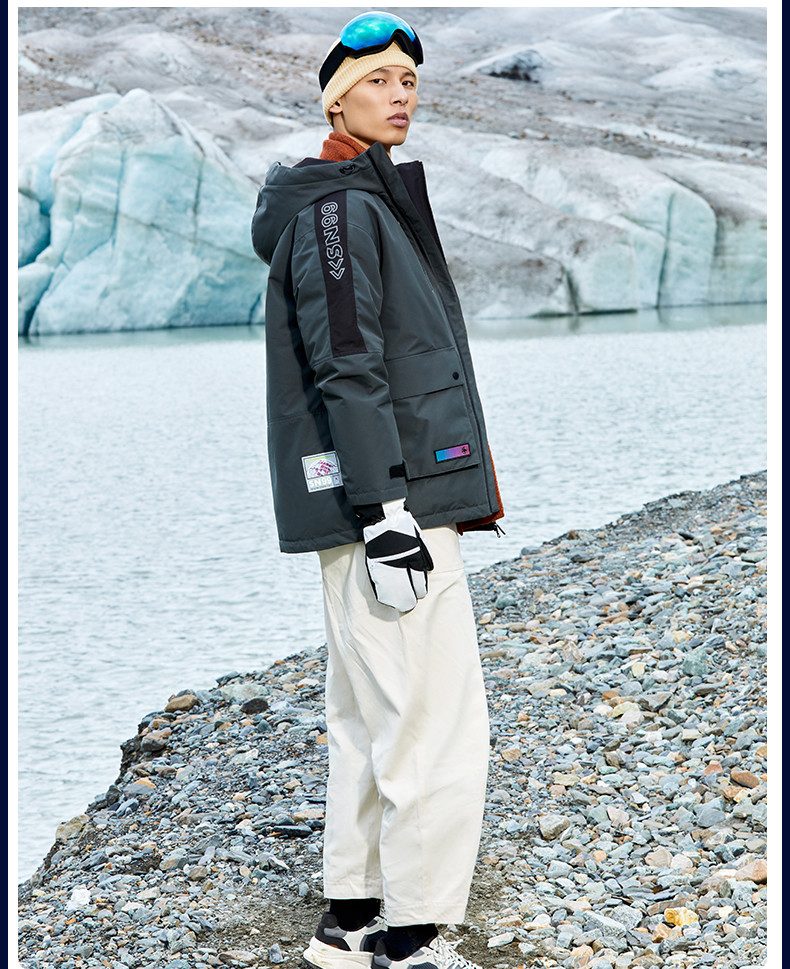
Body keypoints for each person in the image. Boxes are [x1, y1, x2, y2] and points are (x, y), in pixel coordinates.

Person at [251, 12, 504, 969]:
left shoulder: (357, 199)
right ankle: (415, 936)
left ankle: (352, 921)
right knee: (431, 721)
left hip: (377, 499)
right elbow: (348, 367)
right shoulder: (340, 211)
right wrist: (387, 512)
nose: (401, 95)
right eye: (380, 80)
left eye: (409, 81)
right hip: (391, 505)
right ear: (336, 102)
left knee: (368, 713)